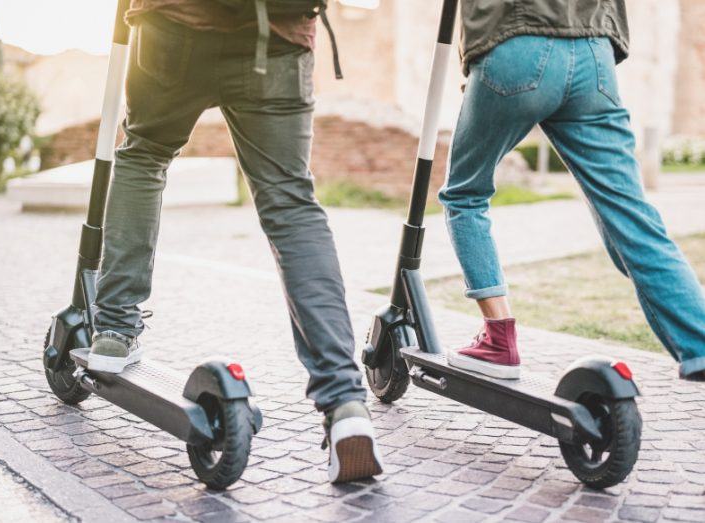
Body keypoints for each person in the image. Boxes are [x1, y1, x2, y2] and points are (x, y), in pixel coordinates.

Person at [88, 0, 383, 483]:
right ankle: (345, 401)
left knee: (143, 157)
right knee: (290, 203)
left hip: (173, 25)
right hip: (279, 34)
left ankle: (114, 330)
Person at [439, 0, 705, 381]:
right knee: (628, 211)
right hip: (594, 51)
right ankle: (700, 342)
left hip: (516, 41)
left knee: (465, 195)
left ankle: (498, 341)